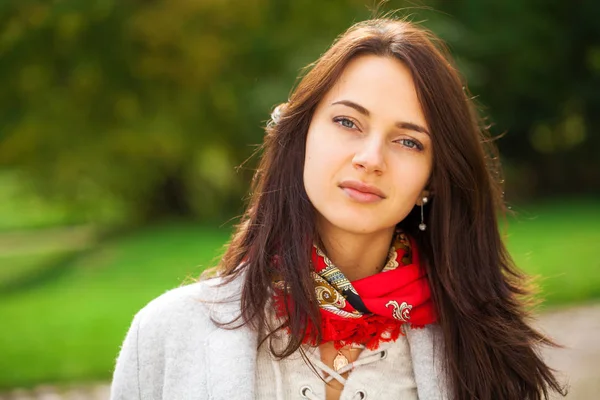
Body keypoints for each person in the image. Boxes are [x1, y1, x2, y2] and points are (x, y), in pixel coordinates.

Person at [110, 18, 566, 400]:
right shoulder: (167, 332)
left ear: (432, 178)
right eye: (348, 122)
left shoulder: (485, 347)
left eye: (408, 141)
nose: (371, 158)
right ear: (302, 136)